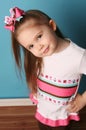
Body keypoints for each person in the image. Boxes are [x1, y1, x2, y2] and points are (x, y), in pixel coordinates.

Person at [4, 7, 86, 130]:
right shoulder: (40, 56)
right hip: (43, 112)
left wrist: (83, 99)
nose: (39, 47)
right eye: (31, 46)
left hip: (63, 117)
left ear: (52, 25)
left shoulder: (78, 56)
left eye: (39, 36)